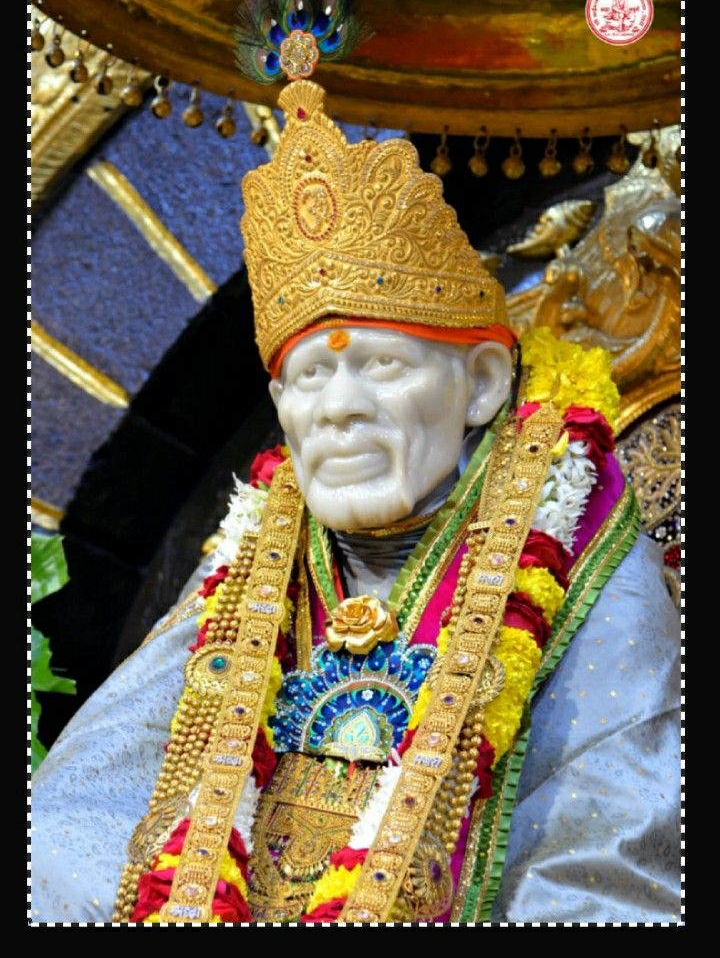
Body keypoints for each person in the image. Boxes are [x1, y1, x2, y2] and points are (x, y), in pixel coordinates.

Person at [30, 73, 680, 925]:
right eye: (307, 378)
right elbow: (78, 814)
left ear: (481, 386)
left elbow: (610, 869)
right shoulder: (254, 557)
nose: (337, 409)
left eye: (379, 366)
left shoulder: (580, 552)